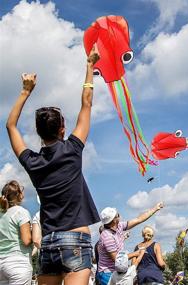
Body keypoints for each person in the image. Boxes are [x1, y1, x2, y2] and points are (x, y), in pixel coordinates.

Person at [6, 44, 101, 285]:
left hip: (48, 242)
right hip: (76, 240)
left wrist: (25, 91)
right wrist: (90, 66)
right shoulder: (72, 149)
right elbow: (87, 103)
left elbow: (11, 126)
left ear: (38, 132)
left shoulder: (32, 161)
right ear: (63, 129)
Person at [97, 202, 164, 285]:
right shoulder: (107, 236)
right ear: (114, 220)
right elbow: (118, 260)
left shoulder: (119, 226)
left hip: (117, 271)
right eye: (117, 215)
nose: (119, 215)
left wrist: (155, 209)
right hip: (107, 273)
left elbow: (138, 219)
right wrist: (137, 253)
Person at [0, 180, 33, 285]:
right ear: (19, 195)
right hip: (18, 264)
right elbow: (26, 240)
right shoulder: (21, 212)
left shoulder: (1, 214)